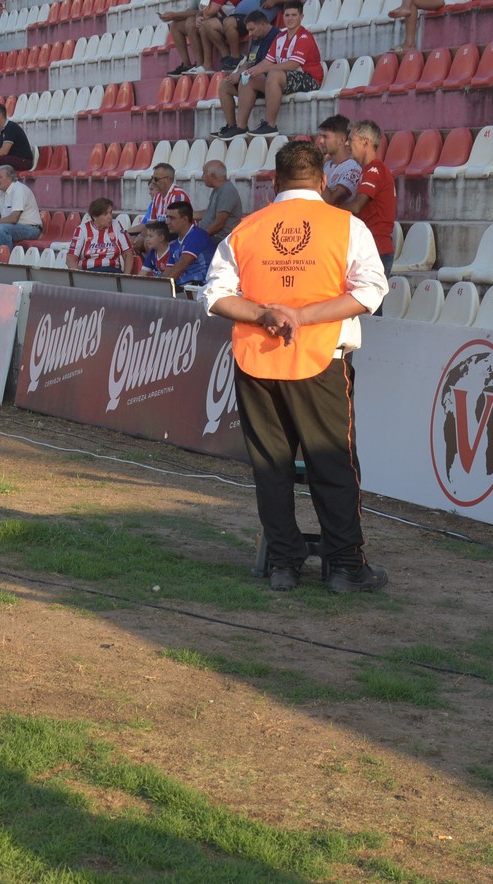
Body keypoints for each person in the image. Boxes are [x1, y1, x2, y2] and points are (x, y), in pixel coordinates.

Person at [203, 140, 389, 593]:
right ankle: (344, 567)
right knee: (334, 465)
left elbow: (215, 296)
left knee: (271, 466)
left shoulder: (247, 228)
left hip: (258, 359)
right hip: (321, 358)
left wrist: (267, 314)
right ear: (323, 181)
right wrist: (301, 316)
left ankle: (284, 564)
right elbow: (370, 293)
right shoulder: (346, 225)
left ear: (273, 182)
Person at [217, 1, 319, 139]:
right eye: (287, 15)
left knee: (274, 74)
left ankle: (270, 125)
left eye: (294, 15)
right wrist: (251, 71)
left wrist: (265, 69)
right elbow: (266, 61)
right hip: (286, 78)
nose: (289, 18)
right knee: (249, 78)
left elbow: (293, 64)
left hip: (308, 79)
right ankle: (240, 127)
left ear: (301, 17)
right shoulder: (280, 37)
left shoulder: (304, 37)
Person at [344, 119, 395, 277]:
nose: (347, 144)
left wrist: (326, 210)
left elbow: (356, 206)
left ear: (365, 142)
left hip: (375, 250)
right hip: (371, 249)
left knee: (367, 302)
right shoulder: (369, 171)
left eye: (351, 139)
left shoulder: (375, 170)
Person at [66, 197, 131, 273]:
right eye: (105, 214)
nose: (110, 217)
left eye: (110, 212)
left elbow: (128, 253)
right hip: (89, 274)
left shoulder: (116, 225)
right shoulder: (82, 229)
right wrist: (80, 278)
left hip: (113, 273)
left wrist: (125, 277)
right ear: (95, 216)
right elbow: (70, 259)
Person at [165, 199, 216, 285]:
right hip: (185, 286)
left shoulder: (197, 235)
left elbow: (181, 266)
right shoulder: (174, 244)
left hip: (201, 286)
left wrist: (163, 287)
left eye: (172, 218)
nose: (167, 222)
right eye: (167, 217)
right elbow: (168, 271)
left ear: (185, 219)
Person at [318, 115, 362, 207]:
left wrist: (317, 176)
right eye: (320, 136)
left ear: (341, 140)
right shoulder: (326, 165)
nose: (321, 141)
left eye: (325, 137)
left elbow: (330, 201)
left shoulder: (352, 169)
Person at [200, 159, 243, 242]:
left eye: (204, 173)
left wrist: (201, 237)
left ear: (212, 176)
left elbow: (219, 224)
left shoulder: (227, 191)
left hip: (220, 240)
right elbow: (209, 213)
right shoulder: (218, 189)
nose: (202, 177)